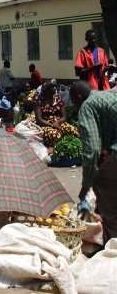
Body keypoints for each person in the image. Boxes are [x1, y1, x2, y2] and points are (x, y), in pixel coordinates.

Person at [69, 81, 117, 244]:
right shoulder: (109, 94)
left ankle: (113, 242)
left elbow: (92, 151)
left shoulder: (87, 106)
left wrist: (86, 186)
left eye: (74, 102)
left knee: (102, 182)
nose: (75, 107)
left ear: (78, 97)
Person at [34, 81, 79, 146]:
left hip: (58, 123)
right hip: (45, 124)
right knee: (55, 135)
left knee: (72, 130)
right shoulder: (39, 101)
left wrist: (57, 123)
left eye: (55, 86)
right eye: (52, 87)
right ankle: (58, 147)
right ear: (46, 89)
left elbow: (64, 116)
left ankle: (69, 146)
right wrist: (52, 125)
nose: (55, 88)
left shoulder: (57, 99)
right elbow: (39, 119)